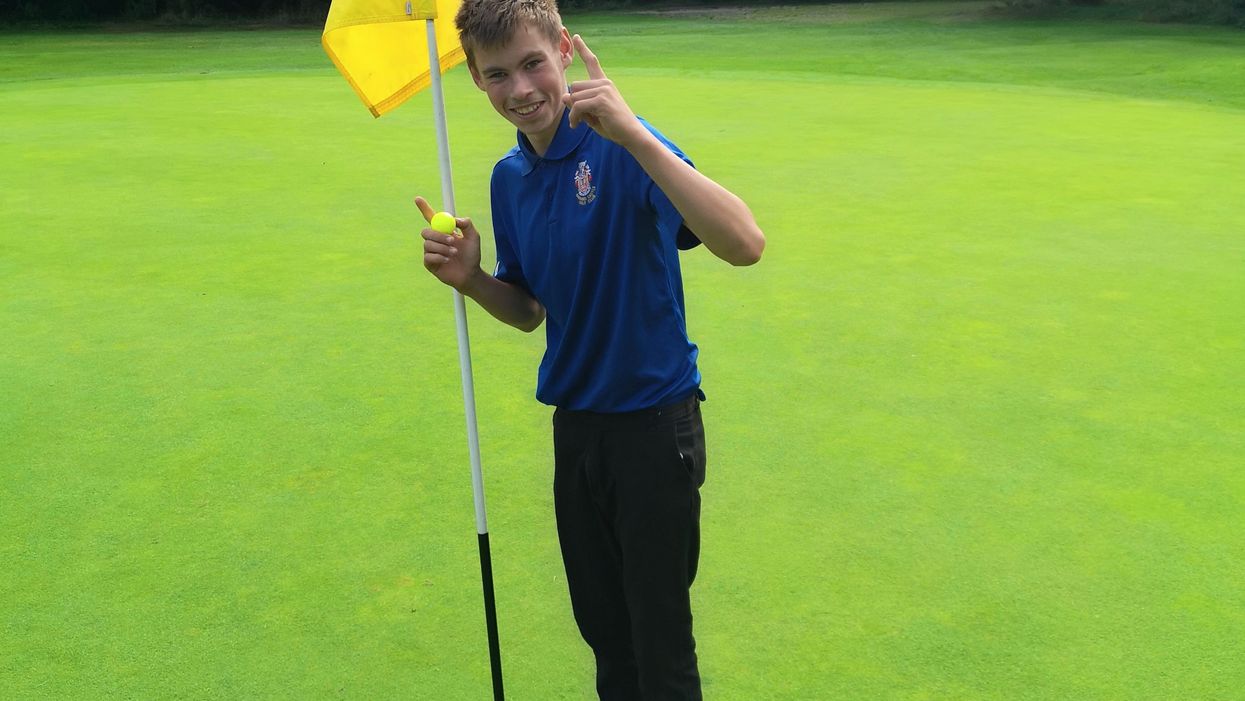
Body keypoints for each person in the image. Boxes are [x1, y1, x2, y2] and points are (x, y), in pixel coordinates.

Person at [419, 0, 764, 697]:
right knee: (606, 636)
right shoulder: (506, 179)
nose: (519, 89)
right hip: (576, 433)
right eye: (496, 75)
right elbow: (527, 311)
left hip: (652, 427)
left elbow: (743, 244)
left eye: (531, 63)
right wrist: (472, 279)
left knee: (659, 645)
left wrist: (636, 134)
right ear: (476, 81)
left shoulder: (621, 143)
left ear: (565, 52)